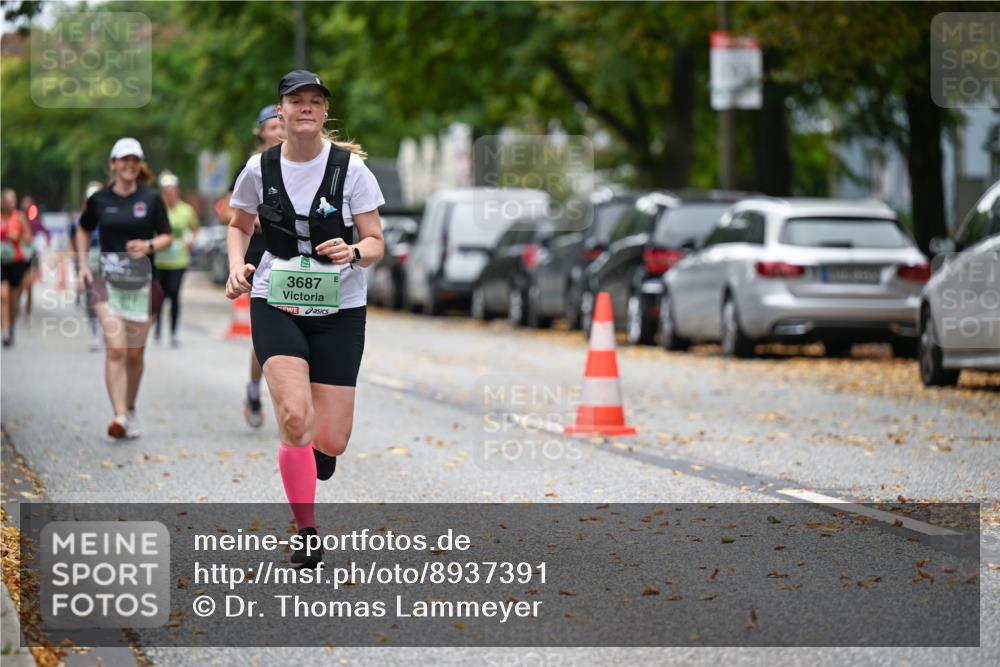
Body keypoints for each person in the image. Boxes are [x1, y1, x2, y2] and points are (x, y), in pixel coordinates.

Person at [227, 71, 385, 567]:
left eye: (316, 102)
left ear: (324, 113)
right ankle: (307, 530)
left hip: (340, 307)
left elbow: (377, 241)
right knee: (295, 415)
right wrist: (238, 266)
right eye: (298, 101)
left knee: (330, 438)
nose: (307, 108)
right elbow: (239, 224)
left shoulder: (351, 170)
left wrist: (354, 250)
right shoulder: (259, 168)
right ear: (281, 111)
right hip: (276, 299)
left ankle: (316, 453)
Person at [76, 138, 172, 439]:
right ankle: (117, 415)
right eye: (123, 159)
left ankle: (129, 408)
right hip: (107, 281)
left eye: (134, 160)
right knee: (116, 348)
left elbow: (167, 236)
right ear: (113, 164)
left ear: (139, 164)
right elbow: (83, 228)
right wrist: (81, 266)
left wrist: (149, 245)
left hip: (143, 283)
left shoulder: (152, 199)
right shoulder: (100, 199)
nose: (129, 165)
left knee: (134, 354)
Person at [219, 104, 286, 428]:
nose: (279, 132)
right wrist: (257, 221)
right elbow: (227, 212)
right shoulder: (253, 167)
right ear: (261, 132)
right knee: (266, 333)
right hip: (259, 254)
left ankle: (291, 395)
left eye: (282, 126)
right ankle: (255, 387)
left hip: (294, 257)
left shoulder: (302, 163)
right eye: (273, 127)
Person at [153, 171, 199, 347]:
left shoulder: (186, 210)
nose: (169, 194)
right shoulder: (157, 209)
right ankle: (157, 329)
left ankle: (173, 333)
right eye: (166, 191)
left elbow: (195, 228)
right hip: (159, 261)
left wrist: (191, 242)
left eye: (172, 191)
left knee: (174, 294)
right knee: (159, 296)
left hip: (178, 261)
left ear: (177, 191)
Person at [1, 188, 33, 346]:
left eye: (13, 199)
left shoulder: (19, 217)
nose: (10, 202)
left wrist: (18, 236)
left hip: (16, 261)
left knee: (13, 298)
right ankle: (5, 330)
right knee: (3, 295)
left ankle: (11, 325)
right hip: (1, 262)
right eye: (7, 199)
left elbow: (29, 239)